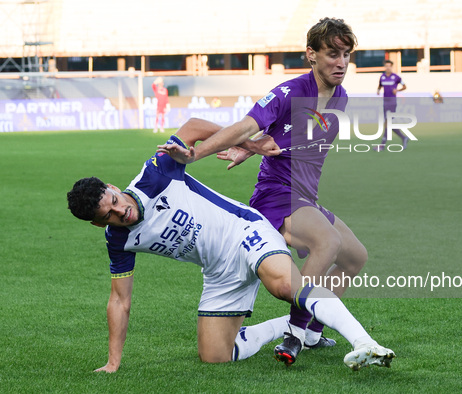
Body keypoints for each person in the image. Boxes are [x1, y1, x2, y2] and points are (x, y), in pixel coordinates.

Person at [67, 118, 395, 372]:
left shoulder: (155, 174)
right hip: (219, 272)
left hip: (246, 232)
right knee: (216, 357)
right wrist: (113, 362)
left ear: (112, 187)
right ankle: (291, 327)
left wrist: (248, 144)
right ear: (99, 224)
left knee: (285, 286)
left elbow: (193, 126)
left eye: (113, 200)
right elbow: (119, 301)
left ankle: (365, 343)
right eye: (108, 215)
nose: (119, 211)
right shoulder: (118, 240)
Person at [157, 17, 386, 367]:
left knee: (356, 257)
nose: (341, 63)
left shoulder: (340, 96)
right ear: (311, 54)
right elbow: (245, 126)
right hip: (276, 195)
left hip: (305, 198)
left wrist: (253, 148)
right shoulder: (288, 92)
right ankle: (295, 332)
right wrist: (195, 154)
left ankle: (311, 330)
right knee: (328, 243)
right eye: (332, 54)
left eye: (346, 55)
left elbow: (296, 137)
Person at [376, 59, 407, 150]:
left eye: (389, 66)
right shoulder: (382, 77)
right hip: (385, 102)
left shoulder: (396, 77)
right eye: (386, 66)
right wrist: (378, 90)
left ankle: (382, 145)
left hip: (392, 102)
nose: (388, 67)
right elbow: (380, 85)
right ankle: (403, 137)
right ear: (385, 67)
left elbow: (405, 86)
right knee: (388, 123)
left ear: (391, 67)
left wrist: (397, 90)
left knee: (387, 122)